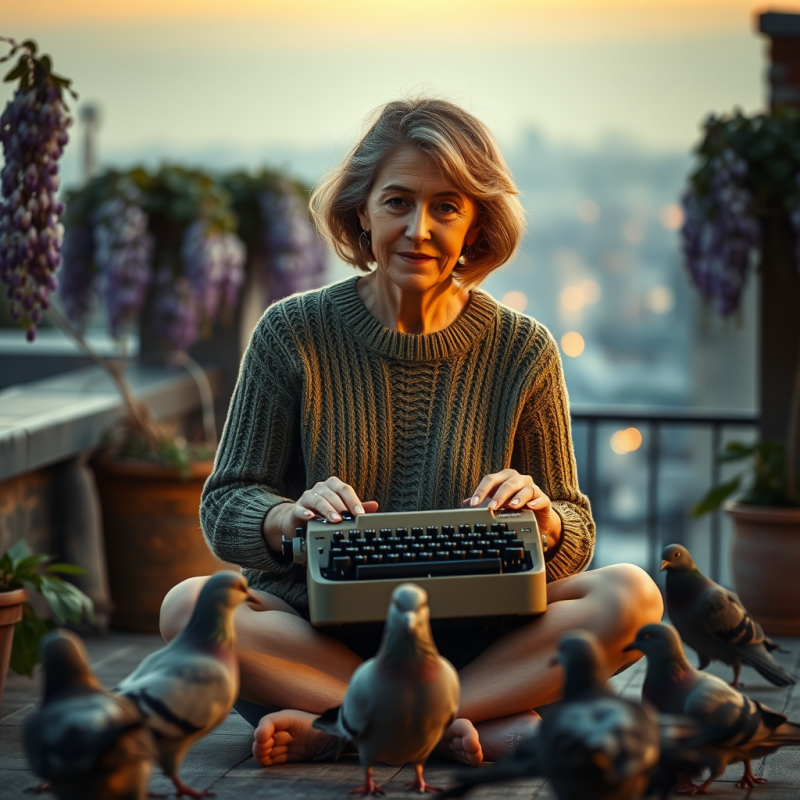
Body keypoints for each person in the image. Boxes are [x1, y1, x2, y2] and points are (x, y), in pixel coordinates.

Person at [160, 97, 663, 768]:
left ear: (475, 223)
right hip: (317, 643)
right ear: (361, 212)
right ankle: (458, 723)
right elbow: (225, 502)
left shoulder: (524, 350)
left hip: (484, 642)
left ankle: (355, 729)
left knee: (634, 595)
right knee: (186, 607)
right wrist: (287, 515)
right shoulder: (291, 332)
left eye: (446, 207)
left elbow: (575, 525)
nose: (418, 229)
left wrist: (544, 522)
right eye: (398, 202)